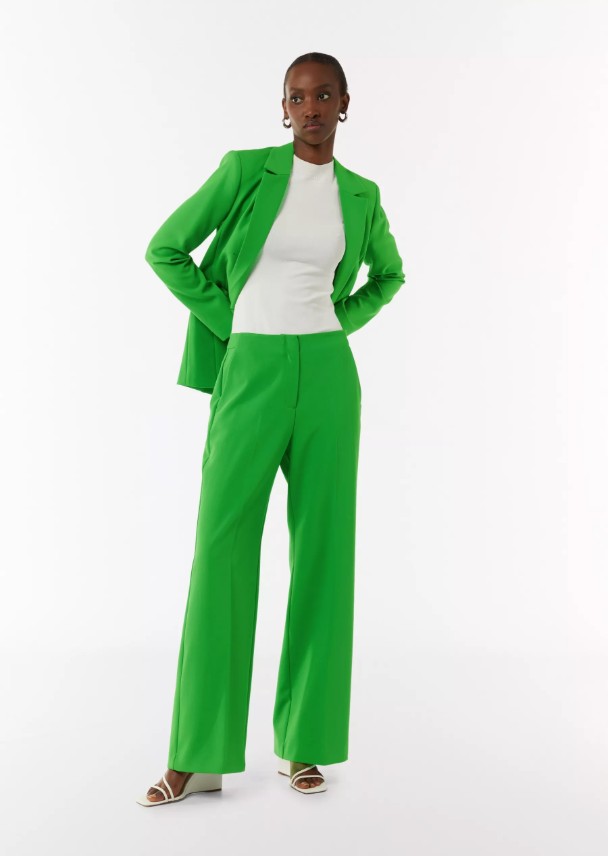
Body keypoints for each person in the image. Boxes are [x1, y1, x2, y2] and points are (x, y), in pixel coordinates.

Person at [136, 51, 405, 805]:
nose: (310, 108)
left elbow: (389, 274)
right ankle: (197, 754)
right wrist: (233, 320)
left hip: (327, 378)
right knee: (221, 550)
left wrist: (336, 322)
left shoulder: (362, 194)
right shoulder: (244, 171)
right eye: (297, 96)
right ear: (282, 108)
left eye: (323, 95)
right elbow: (165, 248)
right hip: (250, 370)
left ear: (344, 103)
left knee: (324, 556)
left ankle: (304, 746)